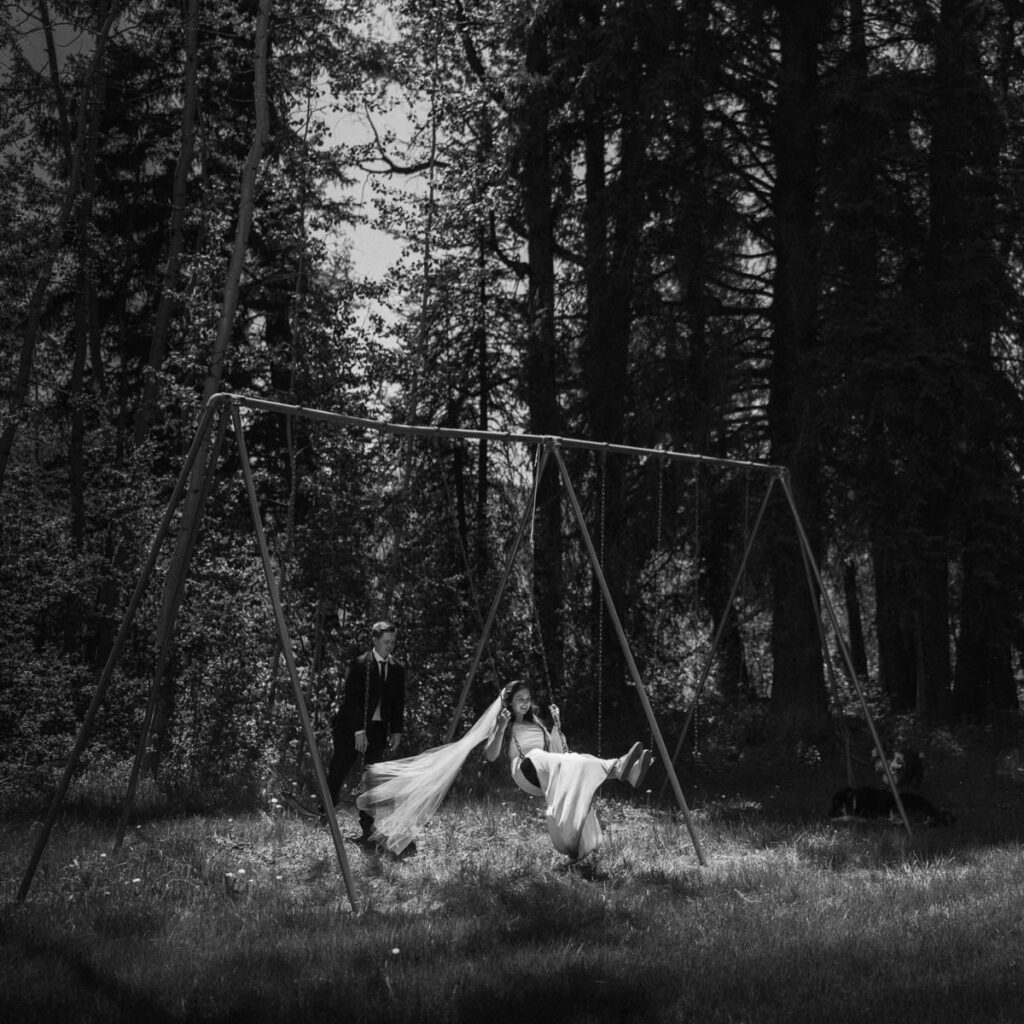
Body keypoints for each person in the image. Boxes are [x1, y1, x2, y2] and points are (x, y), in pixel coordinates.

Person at [483, 681, 652, 860]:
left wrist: (557, 724)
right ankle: (619, 767)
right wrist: (501, 727)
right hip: (525, 769)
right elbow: (491, 755)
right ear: (509, 703)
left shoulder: (536, 724)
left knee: (580, 759)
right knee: (560, 758)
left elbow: (557, 752)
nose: (525, 703)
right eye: (519, 699)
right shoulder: (504, 724)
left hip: (542, 765)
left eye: (528, 699)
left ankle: (624, 769)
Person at [326, 620, 406, 843]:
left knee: (372, 778)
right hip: (351, 728)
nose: (390, 646)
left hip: (379, 729)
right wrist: (358, 731)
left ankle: (367, 827)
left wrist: (397, 730)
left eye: (393, 642)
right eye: (386, 642)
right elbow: (351, 701)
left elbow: (399, 702)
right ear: (375, 640)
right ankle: (325, 815)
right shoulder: (360, 664)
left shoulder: (397, 668)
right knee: (338, 771)